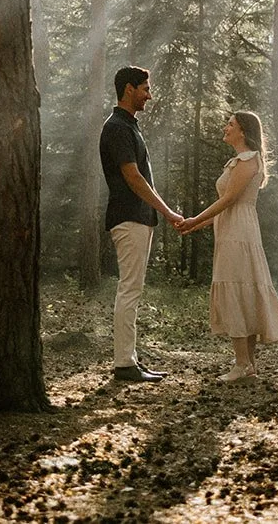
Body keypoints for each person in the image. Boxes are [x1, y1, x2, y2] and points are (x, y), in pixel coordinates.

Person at [177, 110, 278, 381]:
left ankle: (241, 364)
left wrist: (195, 218)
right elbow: (225, 206)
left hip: (239, 231)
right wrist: (194, 225)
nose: (225, 127)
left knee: (238, 288)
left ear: (243, 131)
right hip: (231, 228)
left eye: (231, 124)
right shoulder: (238, 162)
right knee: (241, 288)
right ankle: (247, 364)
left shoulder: (248, 161)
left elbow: (228, 201)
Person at [99, 65, 182, 382]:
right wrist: (168, 212)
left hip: (137, 217)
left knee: (132, 289)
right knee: (129, 290)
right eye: (145, 88)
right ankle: (124, 364)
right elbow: (133, 177)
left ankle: (129, 359)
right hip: (128, 216)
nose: (150, 94)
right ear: (129, 89)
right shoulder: (118, 128)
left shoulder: (127, 126)